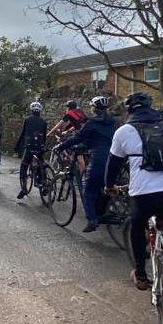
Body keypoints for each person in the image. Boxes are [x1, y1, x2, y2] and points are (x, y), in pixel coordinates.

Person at [105, 92, 163, 290]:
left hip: (145, 194)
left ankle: (141, 276)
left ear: (129, 110)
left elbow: (113, 165)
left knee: (137, 225)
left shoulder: (124, 131)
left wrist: (110, 186)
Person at [53, 96, 117, 232]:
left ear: (94, 108)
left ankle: (92, 220)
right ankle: (103, 212)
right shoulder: (113, 121)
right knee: (104, 186)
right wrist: (83, 146)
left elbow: (78, 137)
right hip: (114, 158)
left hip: (99, 158)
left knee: (88, 189)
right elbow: (97, 139)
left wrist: (61, 146)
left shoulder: (92, 122)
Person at [14, 101, 48, 200]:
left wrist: (17, 146)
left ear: (31, 110)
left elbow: (23, 134)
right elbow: (44, 136)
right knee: (41, 164)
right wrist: (43, 146)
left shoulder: (27, 120)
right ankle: (44, 183)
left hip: (29, 147)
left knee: (24, 166)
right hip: (40, 147)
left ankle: (24, 189)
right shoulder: (44, 122)